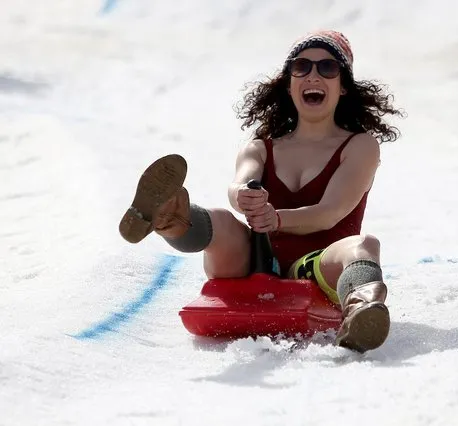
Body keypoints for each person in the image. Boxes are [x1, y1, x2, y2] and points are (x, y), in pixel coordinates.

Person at [119, 30, 403, 353]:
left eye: (327, 68)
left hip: (317, 264)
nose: (313, 75)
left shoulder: (360, 147)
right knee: (224, 222)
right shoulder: (261, 147)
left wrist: (276, 219)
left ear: (344, 86)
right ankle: (166, 217)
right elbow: (239, 182)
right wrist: (243, 196)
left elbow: (331, 211)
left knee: (364, 246)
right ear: (288, 81)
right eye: (302, 67)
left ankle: (362, 313)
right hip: (256, 259)